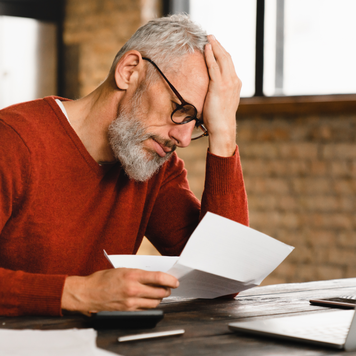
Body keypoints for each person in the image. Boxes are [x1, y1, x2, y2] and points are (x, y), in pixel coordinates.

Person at [0, 14, 248, 316]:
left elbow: (223, 278)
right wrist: (78, 293)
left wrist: (224, 135)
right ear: (129, 71)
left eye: (199, 124)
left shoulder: (155, 166)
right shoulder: (11, 142)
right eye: (181, 109)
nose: (183, 139)